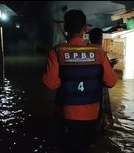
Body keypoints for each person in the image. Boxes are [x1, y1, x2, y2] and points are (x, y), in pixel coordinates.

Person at [42, 10, 117, 153]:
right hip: (92, 116)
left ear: (65, 28)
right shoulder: (99, 52)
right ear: (85, 29)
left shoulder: (57, 51)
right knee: (87, 147)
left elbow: (51, 84)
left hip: (67, 115)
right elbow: (111, 82)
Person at [89, 28, 118, 132]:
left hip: (87, 89)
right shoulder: (100, 52)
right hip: (99, 89)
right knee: (101, 115)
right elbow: (111, 81)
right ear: (100, 39)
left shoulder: (86, 50)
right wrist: (110, 66)